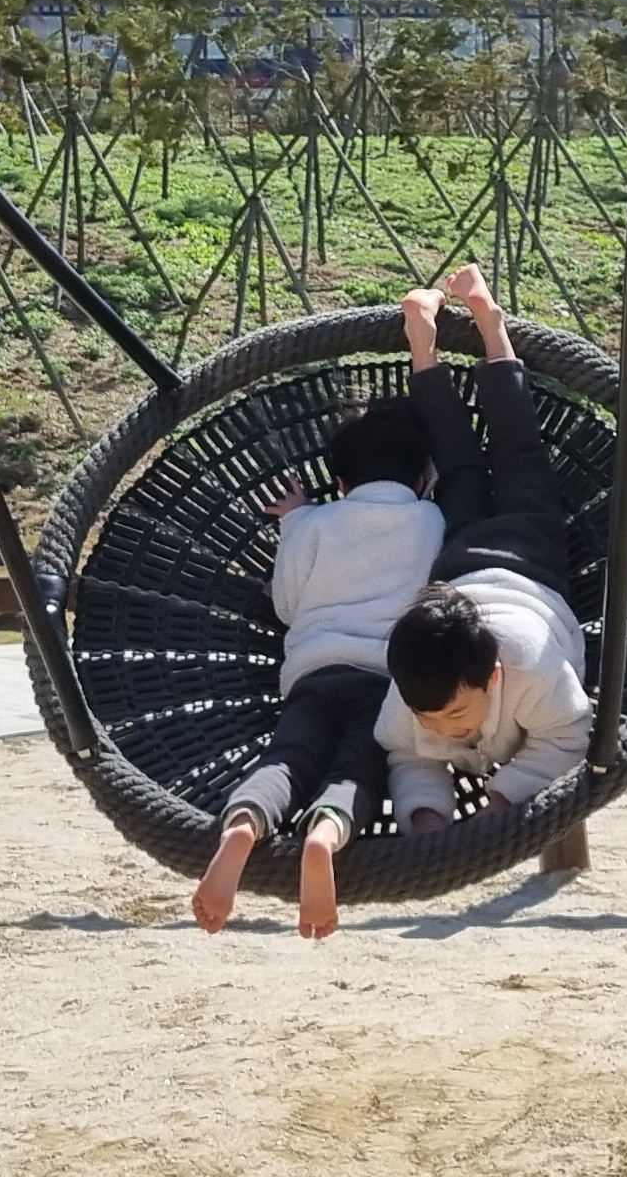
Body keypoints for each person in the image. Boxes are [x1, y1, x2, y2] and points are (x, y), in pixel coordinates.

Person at [191, 288, 450, 941]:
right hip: (385, 680)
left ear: (340, 483)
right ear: (424, 478)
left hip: (313, 671)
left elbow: (286, 605)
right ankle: (326, 834)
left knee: (288, 757)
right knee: (357, 767)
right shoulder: (431, 521)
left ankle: (245, 824)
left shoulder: (313, 524)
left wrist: (297, 521)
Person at [377, 264, 595, 833]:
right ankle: (424, 340)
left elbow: (569, 734)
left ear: (494, 677)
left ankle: (485, 329)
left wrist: (502, 800)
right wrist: (428, 818)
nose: (442, 728)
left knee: (510, 456)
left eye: (453, 712)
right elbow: (406, 753)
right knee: (463, 465)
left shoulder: (533, 669)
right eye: (428, 716)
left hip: (527, 558)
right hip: (466, 573)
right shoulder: (412, 691)